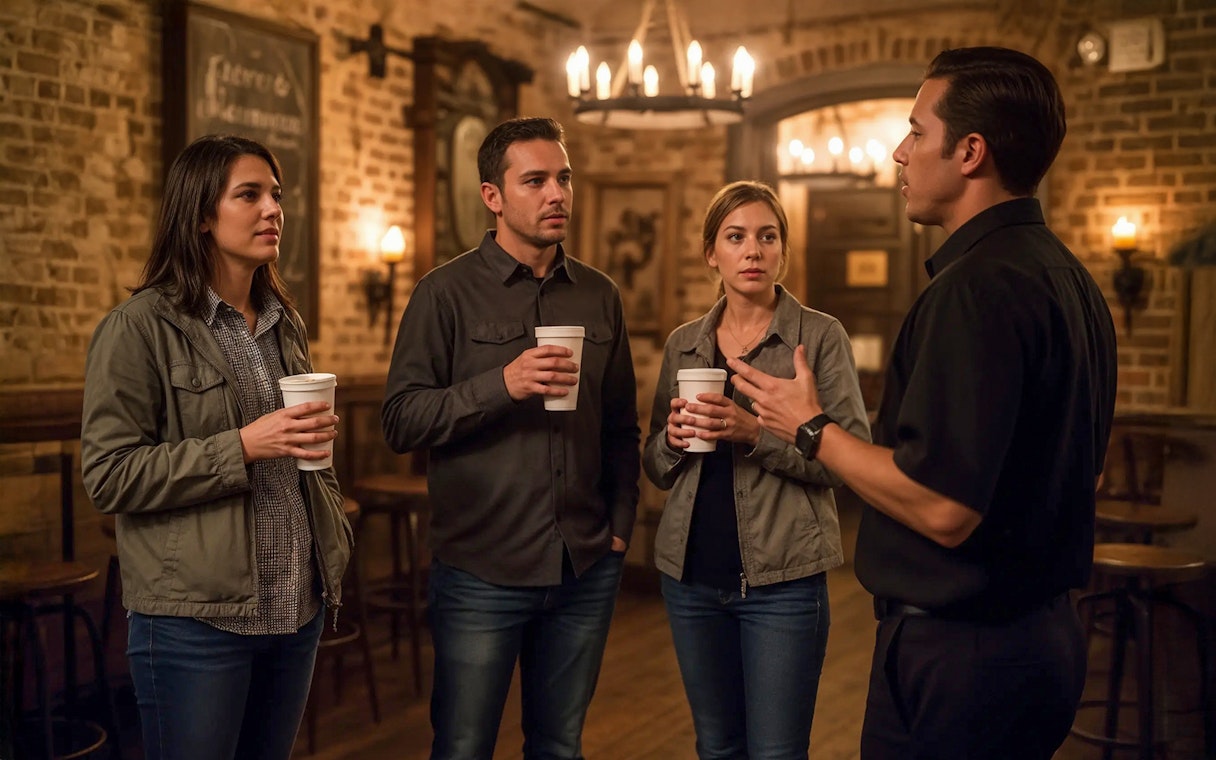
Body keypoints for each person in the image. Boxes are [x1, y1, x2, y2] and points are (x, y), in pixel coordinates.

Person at [728, 47, 1119, 759]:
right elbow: (1083, 474)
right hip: (1042, 638)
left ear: (970, 152)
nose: (899, 152)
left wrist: (808, 426)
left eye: (915, 131)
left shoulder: (975, 290)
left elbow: (945, 509)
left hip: (966, 658)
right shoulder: (1069, 276)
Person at [79, 135, 352, 760]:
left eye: (276, 196)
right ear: (203, 213)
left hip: (294, 607)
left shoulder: (283, 321)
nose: (272, 209)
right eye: (249, 195)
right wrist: (242, 446)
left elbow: (305, 459)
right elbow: (108, 475)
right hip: (196, 621)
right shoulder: (138, 327)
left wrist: (331, 537)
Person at [381, 116, 640, 760]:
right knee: (465, 746)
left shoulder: (600, 295)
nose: (557, 194)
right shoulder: (443, 294)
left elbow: (620, 423)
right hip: (481, 569)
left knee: (559, 745)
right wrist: (503, 383)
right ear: (492, 196)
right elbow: (401, 420)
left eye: (563, 178)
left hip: (583, 563)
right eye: (535, 181)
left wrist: (621, 523)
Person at [642, 180, 870, 759]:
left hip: (784, 584)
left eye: (767, 237)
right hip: (689, 577)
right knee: (717, 746)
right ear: (710, 252)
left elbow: (848, 463)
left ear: (782, 252)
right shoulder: (684, 345)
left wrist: (755, 435)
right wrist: (670, 441)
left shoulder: (817, 337)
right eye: (736, 237)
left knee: (775, 752)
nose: (753, 250)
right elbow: (656, 464)